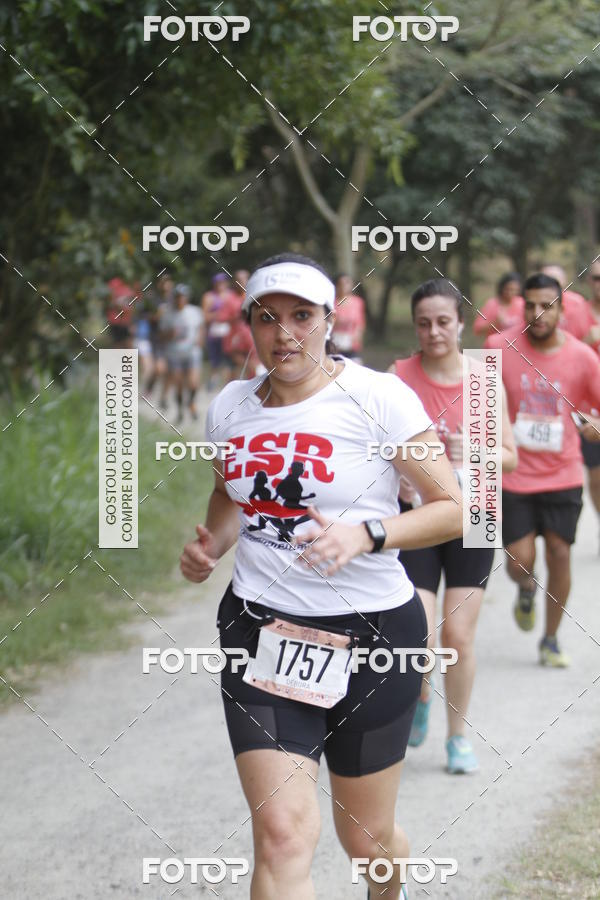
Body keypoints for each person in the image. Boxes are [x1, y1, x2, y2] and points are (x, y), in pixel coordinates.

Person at [180, 253, 463, 900]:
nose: (285, 334)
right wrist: (211, 547)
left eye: (302, 317)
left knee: (367, 840)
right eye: (267, 318)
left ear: (330, 321)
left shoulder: (378, 397)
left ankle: (388, 883)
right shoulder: (229, 407)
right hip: (263, 630)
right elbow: (231, 495)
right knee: (282, 836)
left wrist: (366, 533)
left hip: (376, 635)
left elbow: (453, 510)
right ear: (247, 324)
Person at [388, 278, 517, 774]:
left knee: (458, 636)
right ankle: (420, 695)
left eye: (443, 321)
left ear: (461, 322)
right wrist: (394, 476)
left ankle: (458, 738)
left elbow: (511, 455)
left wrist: (479, 454)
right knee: (417, 629)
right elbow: (375, 446)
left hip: (476, 515)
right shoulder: (397, 377)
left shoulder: (483, 379)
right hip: (418, 518)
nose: (434, 332)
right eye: (423, 323)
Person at [485, 273, 600, 666]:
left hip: (563, 471)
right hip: (513, 472)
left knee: (559, 552)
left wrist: (594, 426)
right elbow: (475, 409)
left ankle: (550, 639)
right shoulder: (496, 347)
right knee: (518, 562)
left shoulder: (584, 357)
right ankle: (526, 589)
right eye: (529, 305)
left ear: (562, 309)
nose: (537, 313)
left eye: (546, 305)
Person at [162, 284, 204, 422]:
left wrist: (200, 340)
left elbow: (201, 328)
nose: (180, 300)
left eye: (183, 297)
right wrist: (170, 334)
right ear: (174, 298)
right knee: (179, 385)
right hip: (175, 354)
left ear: (186, 298)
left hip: (192, 352)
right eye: (178, 297)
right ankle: (180, 411)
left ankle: (191, 402)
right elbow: (161, 334)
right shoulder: (167, 314)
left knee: (193, 383)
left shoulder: (194, 311)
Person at [540, 263, 598, 343]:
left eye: (555, 280)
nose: (551, 284)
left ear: (564, 281)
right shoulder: (534, 305)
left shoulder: (577, 301)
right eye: (546, 280)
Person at [202, 273, 238, 389]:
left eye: (223, 282)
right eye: (218, 283)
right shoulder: (209, 297)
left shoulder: (232, 295)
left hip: (229, 333)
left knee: (230, 361)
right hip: (215, 333)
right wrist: (220, 315)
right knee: (215, 361)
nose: (220, 285)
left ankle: (229, 385)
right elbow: (205, 316)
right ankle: (213, 381)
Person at [472, 272, 523, 338]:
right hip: (495, 345)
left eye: (514, 290)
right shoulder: (492, 304)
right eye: (508, 289)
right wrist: (496, 323)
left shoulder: (522, 303)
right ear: (502, 288)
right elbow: (477, 329)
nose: (511, 293)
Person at [332, 274, 366, 361]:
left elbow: (360, 322)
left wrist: (358, 335)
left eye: (347, 283)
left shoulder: (357, 302)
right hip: (335, 345)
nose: (344, 286)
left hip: (352, 344)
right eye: (341, 284)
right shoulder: (332, 303)